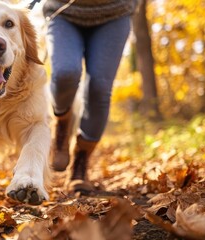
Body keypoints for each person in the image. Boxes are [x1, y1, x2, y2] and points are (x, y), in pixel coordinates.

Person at [42, 0, 137, 193]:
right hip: (63, 11)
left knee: (99, 88)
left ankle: (80, 162)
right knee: (64, 73)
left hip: (115, 13)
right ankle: (62, 122)